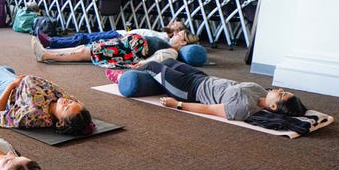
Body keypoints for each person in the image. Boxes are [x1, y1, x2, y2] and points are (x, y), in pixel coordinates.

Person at [126, 58, 308, 121]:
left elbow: (210, 109)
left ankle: (121, 73)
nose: (280, 89)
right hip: (202, 77)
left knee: (152, 65)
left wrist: (178, 104)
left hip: (189, 90)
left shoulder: (243, 108)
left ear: (274, 107)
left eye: (282, 94)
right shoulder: (261, 91)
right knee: (167, 62)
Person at [32, 27, 199, 69]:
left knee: (84, 52)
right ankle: (48, 52)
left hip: (124, 52)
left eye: (179, 34)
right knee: (84, 47)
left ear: (183, 42)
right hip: (123, 45)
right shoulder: (164, 40)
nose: (175, 34)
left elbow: (159, 58)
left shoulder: (170, 50)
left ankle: (46, 55)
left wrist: (143, 64)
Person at [37, 21, 188, 49]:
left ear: (176, 32)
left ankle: (52, 42)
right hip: (121, 33)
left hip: (120, 37)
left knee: (84, 38)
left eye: (176, 24)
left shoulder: (163, 39)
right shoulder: (162, 35)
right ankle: (53, 42)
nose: (172, 22)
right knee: (86, 37)